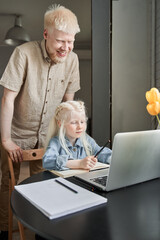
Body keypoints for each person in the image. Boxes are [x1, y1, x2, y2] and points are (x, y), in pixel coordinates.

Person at [0, 4, 80, 239]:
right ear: (46, 34)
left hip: (47, 134)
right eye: (60, 42)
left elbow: (68, 105)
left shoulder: (72, 60)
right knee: (8, 185)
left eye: (70, 42)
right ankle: (5, 230)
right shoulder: (23, 53)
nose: (66, 48)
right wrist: (6, 140)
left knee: (46, 184)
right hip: (16, 132)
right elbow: (8, 98)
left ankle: (40, 233)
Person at [43, 101, 112, 171]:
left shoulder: (87, 140)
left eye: (82, 122)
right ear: (61, 124)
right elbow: (47, 161)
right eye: (74, 122)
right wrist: (79, 163)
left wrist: (112, 158)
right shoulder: (56, 142)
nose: (80, 127)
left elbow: (100, 152)